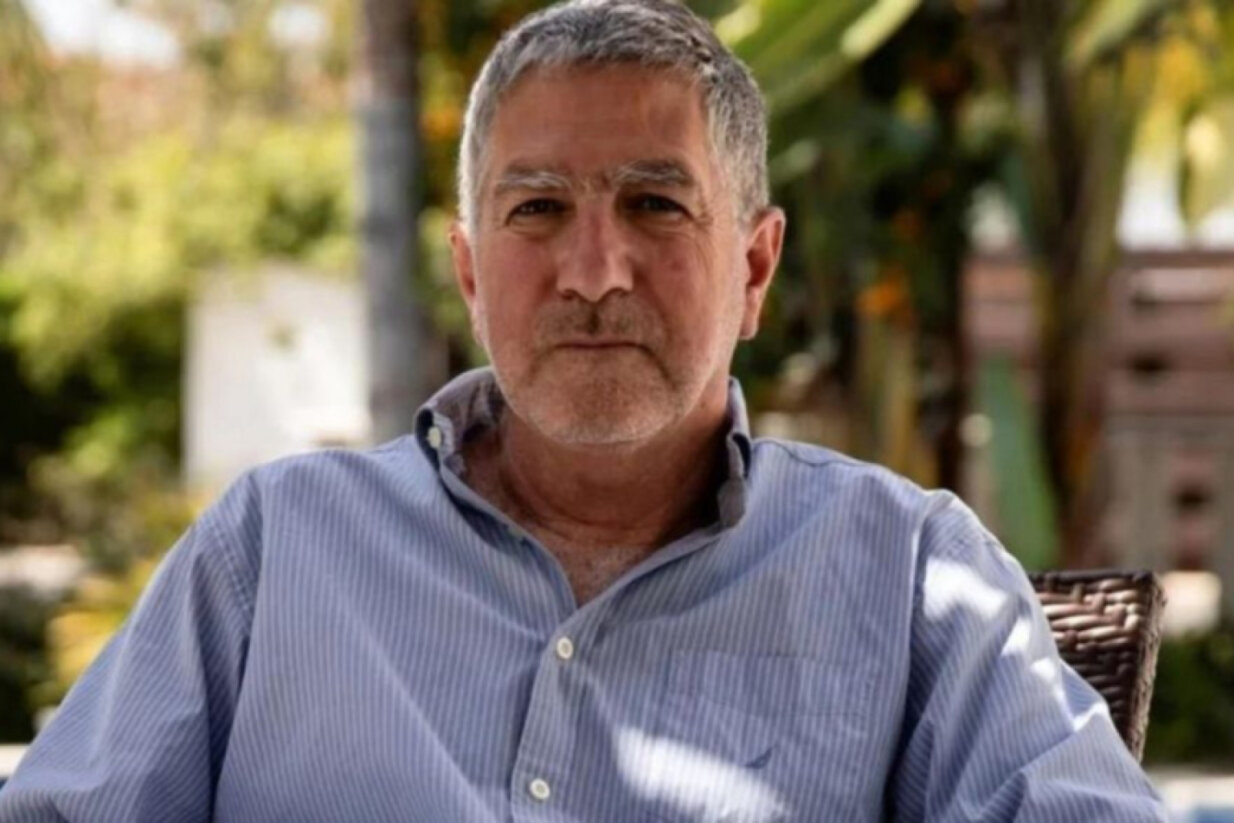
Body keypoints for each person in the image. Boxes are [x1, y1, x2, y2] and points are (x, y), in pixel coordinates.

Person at [0, 1, 1168, 820]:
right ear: (469, 275)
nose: (595, 270)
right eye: (537, 209)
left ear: (754, 268)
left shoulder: (913, 574)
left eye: (655, 204)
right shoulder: (273, 547)